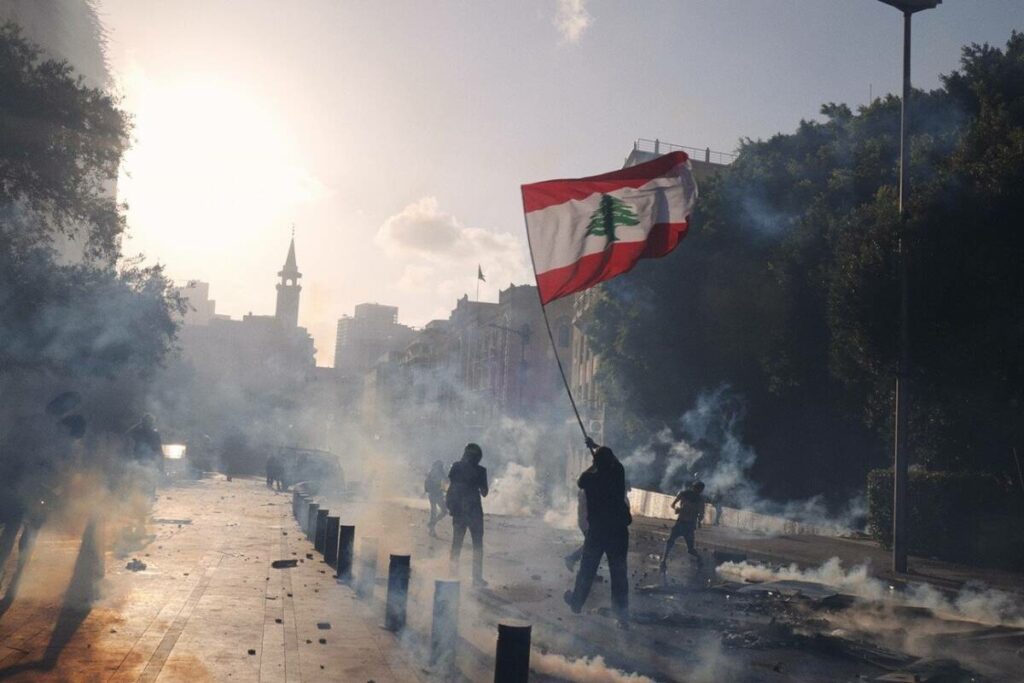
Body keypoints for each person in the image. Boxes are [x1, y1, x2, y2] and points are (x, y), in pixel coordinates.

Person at [564, 437, 631, 629]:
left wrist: (594, 461)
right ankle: (622, 616)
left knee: (587, 570)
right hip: (618, 531)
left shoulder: (590, 478)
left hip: (598, 531)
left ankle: (576, 604)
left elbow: (580, 480)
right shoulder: (618, 473)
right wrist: (596, 448)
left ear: (595, 463)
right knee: (619, 574)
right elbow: (615, 461)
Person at [447, 443, 488, 587]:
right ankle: (476, 579)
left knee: (456, 544)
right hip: (475, 512)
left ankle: (452, 575)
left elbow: (451, 486)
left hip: (459, 512)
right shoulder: (481, 471)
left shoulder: (456, 467)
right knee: (477, 546)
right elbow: (484, 492)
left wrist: (451, 505)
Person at [660, 480, 706, 572]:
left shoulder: (699, 500)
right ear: (695, 488)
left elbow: (701, 514)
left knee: (689, 549)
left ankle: (699, 558)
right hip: (682, 523)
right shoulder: (685, 494)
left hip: (688, 525)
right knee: (670, 542)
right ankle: (663, 561)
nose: (699, 491)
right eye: (698, 489)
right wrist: (677, 508)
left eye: (700, 490)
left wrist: (699, 521)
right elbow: (673, 505)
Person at [563, 486, 588, 571]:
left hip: (586, 522)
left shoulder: (586, 490)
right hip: (588, 523)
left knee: (592, 547)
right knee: (592, 546)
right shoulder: (588, 491)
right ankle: (572, 558)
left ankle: (589, 572)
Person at [425, 460, 447, 538]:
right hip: (436, 495)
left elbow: (427, 486)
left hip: (434, 495)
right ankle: (432, 527)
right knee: (441, 511)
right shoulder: (436, 473)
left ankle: (432, 525)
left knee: (435, 512)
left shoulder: (432, 473)